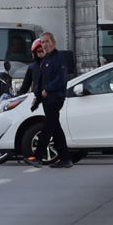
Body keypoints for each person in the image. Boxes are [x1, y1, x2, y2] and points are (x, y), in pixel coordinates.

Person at [27, 31, 73, 168]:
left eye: (47, 41)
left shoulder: (59, 58)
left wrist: (48, 89)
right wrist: (37, 96)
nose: (44, 44)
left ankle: (38, 157)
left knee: (47, 127)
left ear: (53, 43)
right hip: (46, 99)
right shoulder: (45, 60)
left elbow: (61, 79)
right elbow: (40, 81)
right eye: (42, 42)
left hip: (56, 98)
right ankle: (65, 159)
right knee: (56, 129)